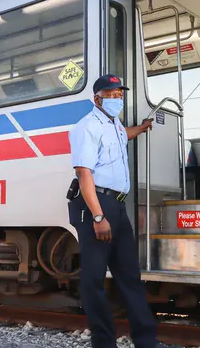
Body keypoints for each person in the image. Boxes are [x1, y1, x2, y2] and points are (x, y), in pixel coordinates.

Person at [68, 74, 158, 348]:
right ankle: (103, 343)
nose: (117, 99)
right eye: (111, 94)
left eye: (120, 94)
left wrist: (140, 128)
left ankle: (146, 342)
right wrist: (98, 217)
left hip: (117, 206)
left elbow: (123, 135)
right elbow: (84, 173)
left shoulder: (114, 125)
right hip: (96, 204)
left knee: (130, 276)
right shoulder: (86, 128)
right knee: (94, 280)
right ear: (97, 99)